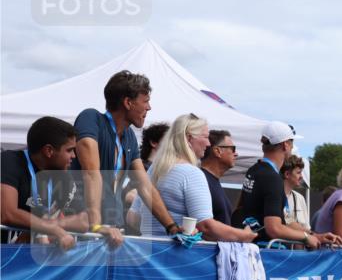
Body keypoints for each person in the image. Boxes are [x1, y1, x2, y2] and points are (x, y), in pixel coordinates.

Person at [72, 70, 178, 247]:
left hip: (112, 230)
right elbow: (91, 173)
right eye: (145, 101)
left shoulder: (129, 135)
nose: (149, 108)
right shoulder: (91, 118)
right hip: (82, 229)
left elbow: (145, 186)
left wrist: (172, 226)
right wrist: (96, 226)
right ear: (128, 102)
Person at [132, 114, 256, 243]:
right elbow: (206, 227)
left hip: (149, 251)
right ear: (189, 138)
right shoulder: (191, 173)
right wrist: (243, 235)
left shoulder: (154, 169)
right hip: (179, 255)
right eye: (206, 137)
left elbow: (133, 217)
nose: (208, 144)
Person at [232, 121, 340, 250]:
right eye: (292, 143)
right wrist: (306, 238)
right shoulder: (273, 178)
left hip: (251, 249)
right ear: (285, 145)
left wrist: (315, 235)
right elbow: (274, 228)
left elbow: (283, 220)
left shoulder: (254, 170)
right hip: (265, 253)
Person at [1, 116, 88, 250]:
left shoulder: (63, 175)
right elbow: (7, 213)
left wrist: (49, 225)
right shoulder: (8, 161)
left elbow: (83, 221)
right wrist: (54, 230)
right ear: (49, 151)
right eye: (69, 150)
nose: (73, 156)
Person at [200, 129, 237, 225]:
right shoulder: (201, 180)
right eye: (233, 149)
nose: (236, 153)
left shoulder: (211, 180)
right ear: (217, 151)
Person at [281, 154, 310, 231]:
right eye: (298, 172)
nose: (302, 176)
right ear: (287, 174)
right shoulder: (274, 196)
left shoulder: (300, 198)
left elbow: (307, 227)